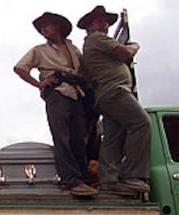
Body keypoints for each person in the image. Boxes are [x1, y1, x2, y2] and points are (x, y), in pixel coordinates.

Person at [13, 12, 98, 197]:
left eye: (48, 25)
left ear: (58, 26)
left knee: (79, 138)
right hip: (57, 93)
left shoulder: (73, 48)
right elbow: (20, 68)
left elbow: (86, 70)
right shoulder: (39, 50)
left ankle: (83, 179)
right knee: (62, 137)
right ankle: (71, 181)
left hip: (76, 93)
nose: (44, 29)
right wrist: (39, 84)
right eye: (41, 27)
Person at [77, 6, 151, 194]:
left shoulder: (91, 42)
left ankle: (109, 180)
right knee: (141, 123)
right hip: (115, 92)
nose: (105, 24)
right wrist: (135, 45)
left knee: (112, 138)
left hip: (106, 95)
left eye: (107, 21)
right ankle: (134, 176)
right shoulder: (97, 38)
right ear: (90, 25)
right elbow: (125, 52)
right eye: (100, 21)